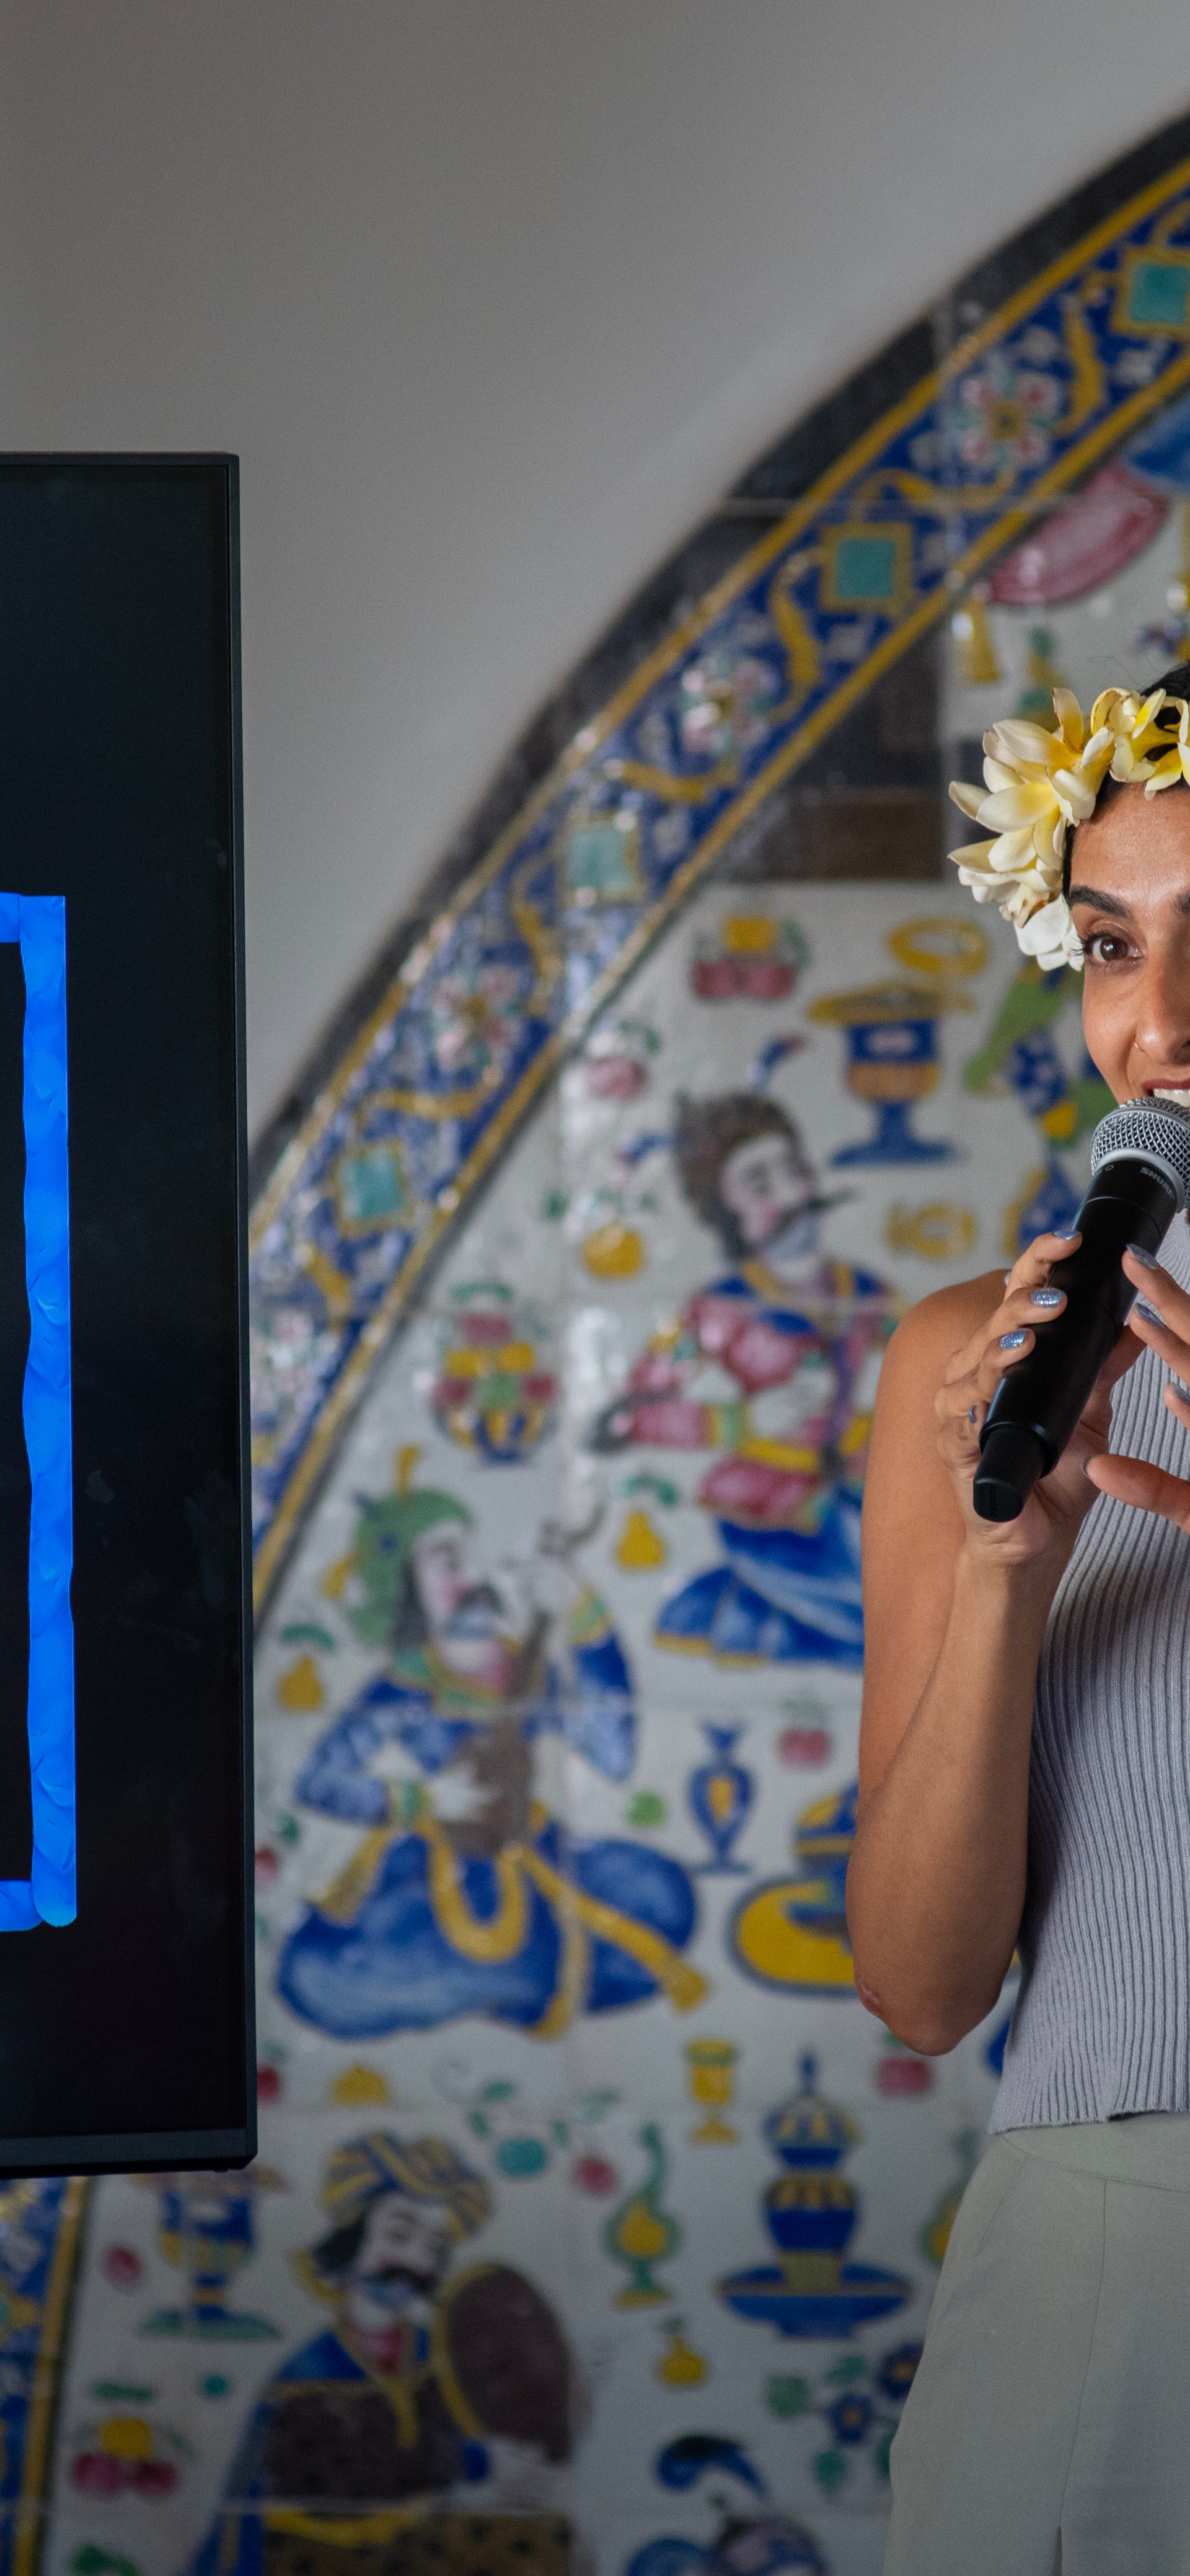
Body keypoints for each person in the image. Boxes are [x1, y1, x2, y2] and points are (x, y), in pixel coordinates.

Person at [850, 663, 1190, 2572]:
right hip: (1092, 2268)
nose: (1161, 1027)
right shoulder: (961, 1371)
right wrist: (1003, 1574)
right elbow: (916, 1987)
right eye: (1111, 942)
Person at [277, 1451, 703, 2037]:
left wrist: (586, 1620)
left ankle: (507, 1975)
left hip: (533, 1850)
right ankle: (516, 1975)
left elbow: (614, 1752)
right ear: (407, 1587)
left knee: (664, 1899)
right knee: (316, 1974)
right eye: (447, 1561)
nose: (473, 1577)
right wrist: (421, 1800)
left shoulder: (526, 1670)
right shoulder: (402, 1685)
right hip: (431, 1872)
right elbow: (316, 1781)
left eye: (472, 1555)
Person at [591, 1089, 897, 1665]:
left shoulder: (867, 1294)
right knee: (882, 1634)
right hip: (766, 1512)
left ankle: (746, 1620)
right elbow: (630, 1414)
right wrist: (744, 1419)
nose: (790, 1195)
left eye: (795, 1171)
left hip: (854, 1499)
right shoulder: (717, 1311)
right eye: (760, 1185)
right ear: (726, 1211)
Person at [188, 2130, 574, 2576]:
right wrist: (479, 2462)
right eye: (399, 2232)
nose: (414, 2261)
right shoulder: (306, 2375)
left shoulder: (435, 2355)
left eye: (432, 2246)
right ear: (351, 2238)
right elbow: (341, 2472)